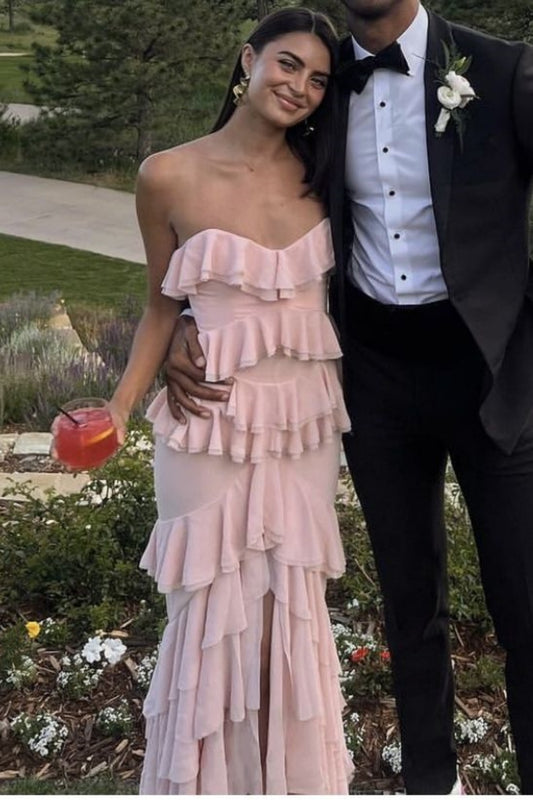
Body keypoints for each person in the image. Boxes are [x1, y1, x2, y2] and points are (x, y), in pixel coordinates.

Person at [164, 0, 533, 794]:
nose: (296, 82)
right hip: (374, 380)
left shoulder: (502, 70)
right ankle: (429, 782)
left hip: (491, 374)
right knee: (408, 599)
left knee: (525, 601)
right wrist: (186, 317)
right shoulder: (319, 82)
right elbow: (242, 198)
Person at [104, 7, 354, 795]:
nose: (300, 86)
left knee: (290, 604)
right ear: (247, 61)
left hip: (304, 426)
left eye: (318, 79)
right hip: (205, 419)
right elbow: (159, 304)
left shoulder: (328, 176)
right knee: (208, 605)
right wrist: (117, 409)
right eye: (287, 64)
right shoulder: (166, 176)